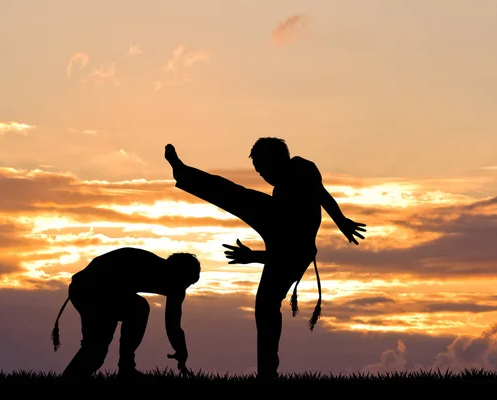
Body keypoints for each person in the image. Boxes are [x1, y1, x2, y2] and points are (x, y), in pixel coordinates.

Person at [164, 139, 366, 379]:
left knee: (266, 305)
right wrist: (340, 221)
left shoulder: (301, 168)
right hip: (281, 233)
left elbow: (316, 204)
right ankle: (183, 172)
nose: (261, 175)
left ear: (276, 159)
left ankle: (267, 374)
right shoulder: (283, 186)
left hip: (292, 246)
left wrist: (341, 221)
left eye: (262, 168)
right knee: (236, 196)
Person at [50, 247, 201, 379]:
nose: (184, 288)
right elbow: (171, 323)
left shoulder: (173, 282)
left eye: (190, 284)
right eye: (185, 281)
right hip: (91, 288)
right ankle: (126, 369)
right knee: (137, 309)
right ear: (175, 272)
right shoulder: (148, 266)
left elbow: (173, 323)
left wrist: (181, 350)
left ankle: (119, 370)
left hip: (92, 290)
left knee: (96, 351)